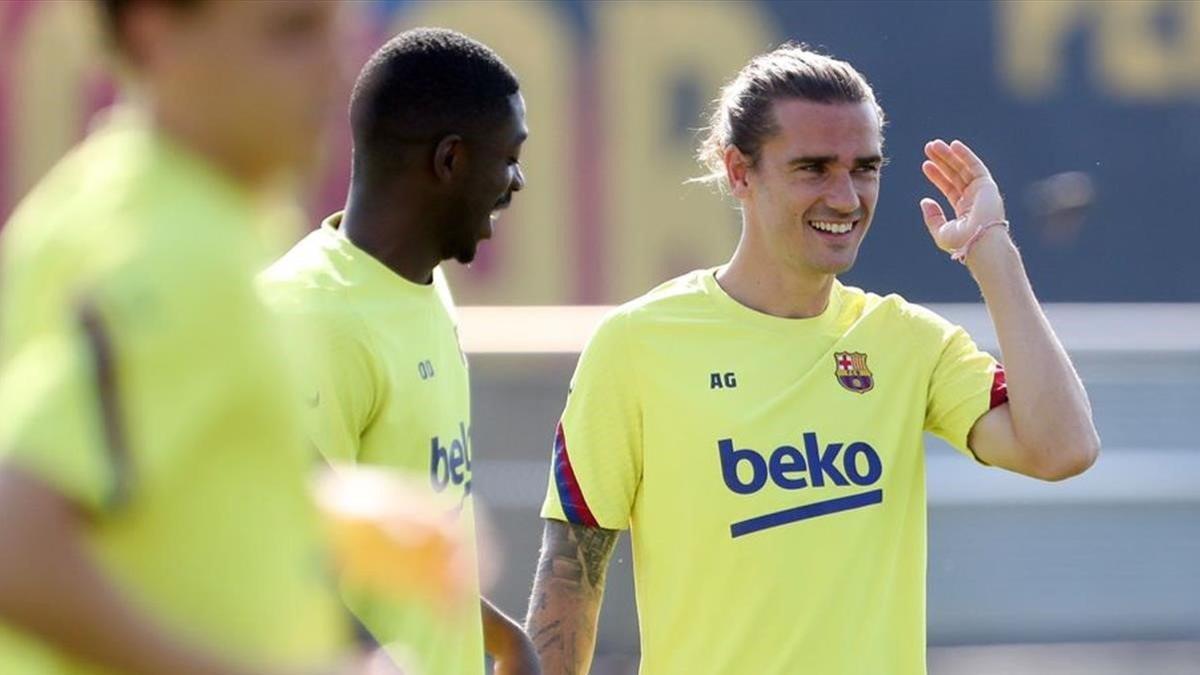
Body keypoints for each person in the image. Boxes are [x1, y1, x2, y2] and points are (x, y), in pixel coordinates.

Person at [525, 44, 1100, 675]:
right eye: (814, 169)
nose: (847, 198)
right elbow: (570, 575)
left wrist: (991, 249)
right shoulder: (637, 344)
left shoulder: (904, 339)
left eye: (865, 168)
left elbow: (1062, 449)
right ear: (739, 172)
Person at [0, 1, 375, 674]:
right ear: (156, 33)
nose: (338, 67)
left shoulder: (107, 194)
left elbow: (133, 483)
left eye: (333, 27)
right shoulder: (177, 253)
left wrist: (327, 514)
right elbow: (14, 539)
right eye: (291, 30)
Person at [259, 28, 538, 675]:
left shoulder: (422, 284)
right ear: (449, 161)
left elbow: (380, 551)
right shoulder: (311, 314)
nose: (518, 181)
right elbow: (282, 553)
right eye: (510, 156)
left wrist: (498, 636)